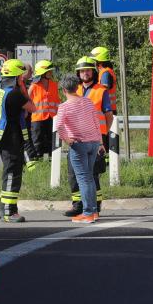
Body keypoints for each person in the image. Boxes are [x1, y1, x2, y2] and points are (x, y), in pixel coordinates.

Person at [0, 58, 39, 223]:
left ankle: (4, 209)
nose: (23, 79)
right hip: (11, 138)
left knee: (8, 172)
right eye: (21, 76)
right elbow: (33, 108)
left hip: (1, 137)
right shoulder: (14, 94)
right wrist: (23, 89)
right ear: (17, 77)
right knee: (12, 174)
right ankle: (9, 212)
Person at [64, 56, 113, 217]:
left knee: (92, 174)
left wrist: (103, 134)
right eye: (82, 71)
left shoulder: (101, 90)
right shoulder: (74, 90)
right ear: (78, 73)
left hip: (95, 139)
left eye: (88, 70)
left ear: (93, 72)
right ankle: (78, 204)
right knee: (74, 173)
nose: (85, 73)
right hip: (77, 139)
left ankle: (95, 207)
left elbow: (108, 115)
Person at [55, 74, 104, 223]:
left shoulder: (64, 107)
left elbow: (59, 126)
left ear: (64, 90)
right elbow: (96, 122)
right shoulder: (88, 102)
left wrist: (67, 140)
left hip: (79, 144)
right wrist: (100, 142)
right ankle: (94, 212)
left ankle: (87, 213)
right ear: (77, 87)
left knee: (83, 179)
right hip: (94, 143)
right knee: (90, 178)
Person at [28, 60, 59, 157]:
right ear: (42, 73)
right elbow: (27, 102)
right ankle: (38, 161)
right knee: (38, 143)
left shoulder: (54, 85)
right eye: (49, 71)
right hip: (37, 120)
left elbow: (58, 101)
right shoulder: (34, 86)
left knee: (52, 143)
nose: (51, 72)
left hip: (52, 118)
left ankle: (51, 161)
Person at [90, 46, 118, 113]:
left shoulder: (105, 74)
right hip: (108, 109)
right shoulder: (105, 72)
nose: (94, 64)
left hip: (107, 110)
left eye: (94, 61)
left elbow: (103, 92)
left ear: (99, 62)